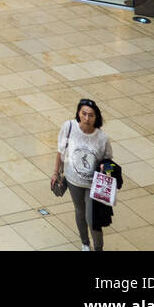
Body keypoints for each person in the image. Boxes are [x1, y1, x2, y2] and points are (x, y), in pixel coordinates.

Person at [52, 98, 114, 252]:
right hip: (73, 181)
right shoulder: (69, 127)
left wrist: (104, 166)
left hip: (93, 184)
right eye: (83, 113)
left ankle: (98, 248)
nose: (86, 118)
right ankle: (85, 243)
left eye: (91, 115)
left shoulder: (102, 137)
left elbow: (109, 160)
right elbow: (60, 151)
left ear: (96, 117)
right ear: (78, 113)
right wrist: (55, 172)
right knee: (79, 212)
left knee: (92, 217)